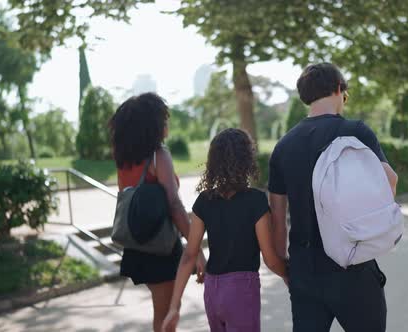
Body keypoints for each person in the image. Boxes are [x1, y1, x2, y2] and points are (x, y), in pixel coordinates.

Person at [268, 63, 398, 332]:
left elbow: (277, 220)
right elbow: (390, 182)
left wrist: (286, 270)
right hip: (353, 263)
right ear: (339, 90)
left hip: (304, 269)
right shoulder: (355, 131)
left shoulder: (283, 146)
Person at [162, 128, 288, 332]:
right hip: (242, 290)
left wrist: (174, 307)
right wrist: (289, 276)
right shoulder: (255, 201)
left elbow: (189, 255)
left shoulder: (204, 200)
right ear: (247, 159)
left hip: (213, 290)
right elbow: (270, 258)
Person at [109, 92, 206, 332]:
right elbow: (174, 205)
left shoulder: (125, 158)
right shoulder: (158, 155)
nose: (167, 123)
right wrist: (195, 250)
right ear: (152, 125)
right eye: (164, 118)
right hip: (160, 246)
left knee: (162, 311)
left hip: (137, 244)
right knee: (166, 315)